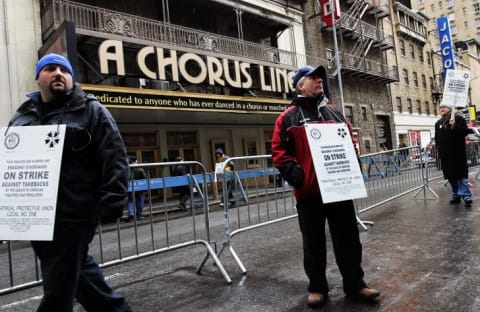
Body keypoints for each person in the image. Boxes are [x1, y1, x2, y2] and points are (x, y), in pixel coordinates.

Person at [6, 53, 132, 311]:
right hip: (35, 216)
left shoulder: (91, 110)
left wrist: (114, 199)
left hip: (74, 213)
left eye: (64, 70)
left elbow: (115, 156)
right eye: (50, 69)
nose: (58, 74)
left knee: (58, 290)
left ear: (71, 79)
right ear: (38, 78)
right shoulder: (21, 117)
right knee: (78, 276)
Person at [271, 65, 380, 308]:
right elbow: (280, 155)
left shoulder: (335, 113)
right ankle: (317, 288)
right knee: (313, 243)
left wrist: (352, 168)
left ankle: (356, 285)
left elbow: (351, 143)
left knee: (349, 240)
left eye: (320, 77)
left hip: (339, 190)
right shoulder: (287, 117)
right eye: (313, 77)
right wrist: (301, 178)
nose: (319, 80)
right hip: (309, 194)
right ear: (300, 85)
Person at [434, 104, 473, 207]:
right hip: (446, 155)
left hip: (457, 153)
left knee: (461, 175)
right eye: (440, 107)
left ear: (450, 108)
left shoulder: (458, 119)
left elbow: (465, 132)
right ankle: (456, 194)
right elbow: (437, 138)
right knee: (451, 177)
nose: (442, 109)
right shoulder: (438, 123)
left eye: (444, 107)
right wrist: (438, 148)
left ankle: (465, 195)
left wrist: (454, 125)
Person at [126, 156, 147, 221]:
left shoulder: (127, 168)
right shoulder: (139, 168)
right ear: (135, 161)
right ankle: (139, 215)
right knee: (139, 201)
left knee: (130, 200)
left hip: (129, 187)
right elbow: (144, 178)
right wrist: (145, 188)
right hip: (139, 187)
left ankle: (131, 213)